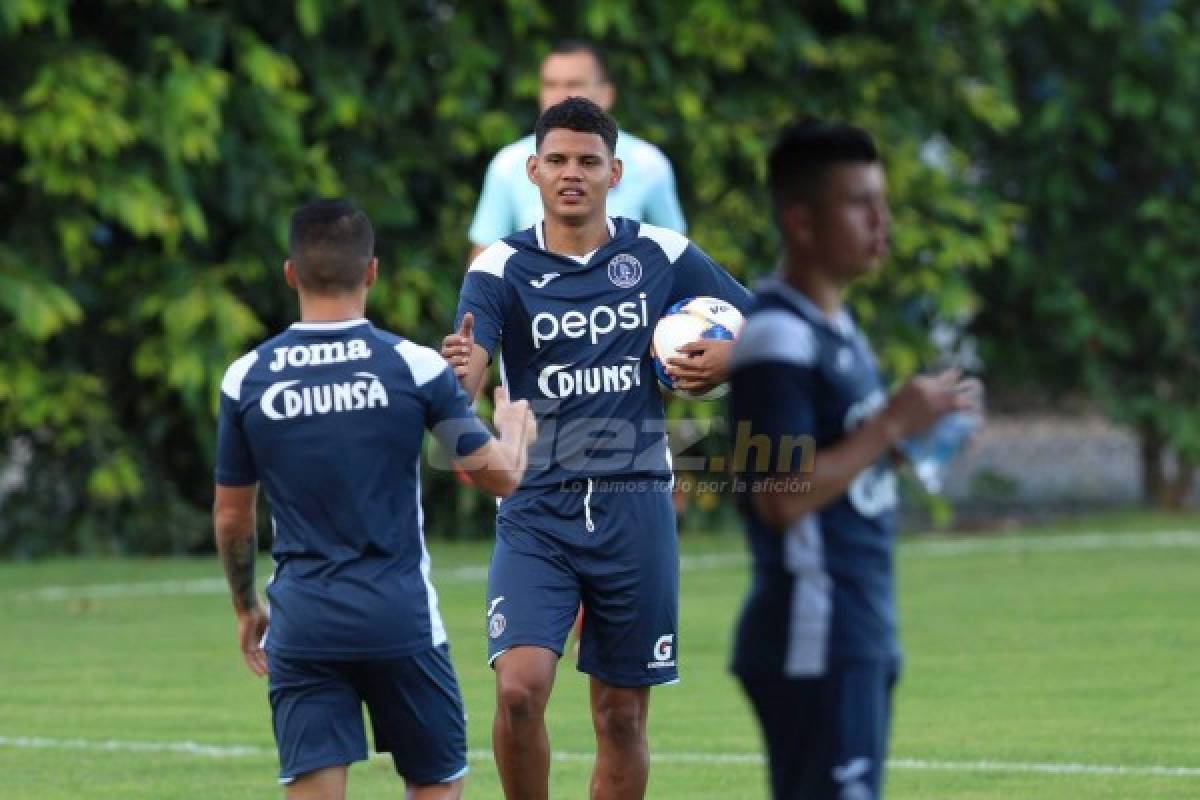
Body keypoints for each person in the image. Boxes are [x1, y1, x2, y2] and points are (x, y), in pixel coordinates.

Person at [441, 97, 750, 800]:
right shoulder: (499, 266)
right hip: (538, 505)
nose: (570, 173)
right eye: (556, 161)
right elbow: (473, 361)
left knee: (620, 717)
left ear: (616, 171)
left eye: (587, 161)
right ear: (533, 169)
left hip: (634, 505)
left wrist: (735, 360)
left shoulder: (662, 255)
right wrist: (463, 376)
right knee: (519, 689)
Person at [212, 199, 535, 800]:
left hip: (303, 624)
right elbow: (499, 476)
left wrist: (244, 607)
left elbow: (233, 515)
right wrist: (514, 425)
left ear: (290, 273)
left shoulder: (248, 376)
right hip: (400, 620)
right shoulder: (411, 366)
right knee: (435, 786)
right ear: (371, 272)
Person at [727, 122, 981, 799]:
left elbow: (839, 464)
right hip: (817, 626)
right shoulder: (778, 333)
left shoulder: (836, 330)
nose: (882, 221)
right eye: (859, 203)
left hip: (853, 623)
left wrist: (914, 436)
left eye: (882, 202)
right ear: (801, 222)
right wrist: (892, 423)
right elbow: (778, 497)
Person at [466, 39, 686, 263]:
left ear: (606, 94)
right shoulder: (507, 164)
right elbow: (484, 262)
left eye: (574, 84)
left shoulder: (649, 164)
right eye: (550, 85)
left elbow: (676, 256)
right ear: (533, 169)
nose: (560, 95)